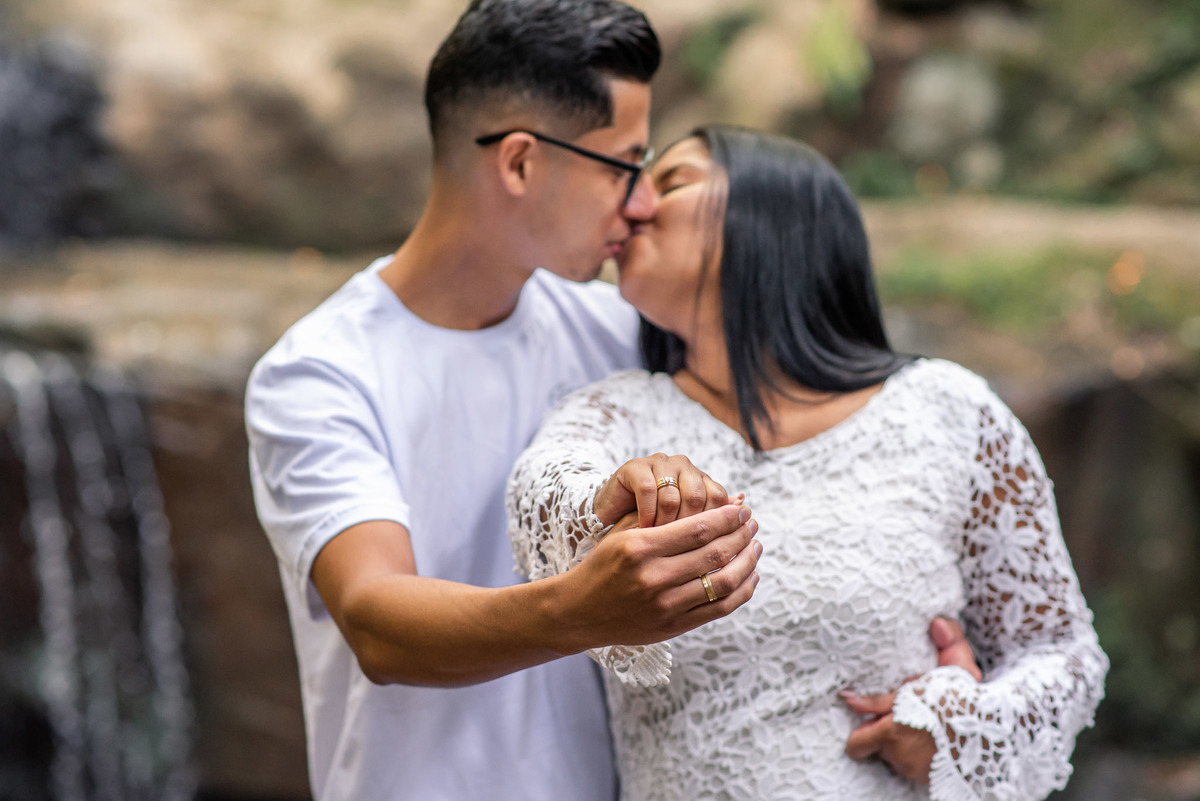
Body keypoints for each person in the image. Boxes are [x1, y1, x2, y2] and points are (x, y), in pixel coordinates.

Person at [244, 3, 764, 800]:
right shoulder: (319, 373)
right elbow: (379, 622)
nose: (638, 204)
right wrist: (586, 609)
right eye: (624, 166)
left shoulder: (616, 331)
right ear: (520, 163)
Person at [507, 127, 1109, 800]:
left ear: (776, 212)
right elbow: (543, 490)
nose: (636, 204)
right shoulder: (617, 415)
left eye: (673, 180)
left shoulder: (949, 411)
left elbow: (1060, 651)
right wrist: (613, 493)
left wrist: (960, 731)